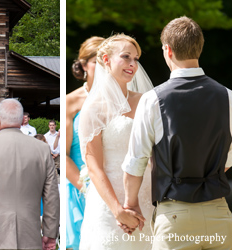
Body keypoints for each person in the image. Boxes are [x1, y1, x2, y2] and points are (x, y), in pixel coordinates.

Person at [120, 17, 232, 250]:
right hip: (221, 213)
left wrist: (131, 206)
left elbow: (135, 162)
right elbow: (228, 160)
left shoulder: (153, 99)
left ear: (167, 50)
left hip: (175, 215)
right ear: (200, 48)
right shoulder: (228, 97)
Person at [76, 33, 154, 249]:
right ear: (107, 60)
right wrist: (118, 210)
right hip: (108, 203)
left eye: (136, 59)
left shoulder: (146, 102)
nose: (132, 64)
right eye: (126, 57)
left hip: (145, 196)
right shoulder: (94, 108)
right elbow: (94, 167)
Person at [0, 99, 59, 250]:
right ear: (21, 121)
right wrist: (50, 232)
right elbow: (51, 196)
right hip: (28, 233)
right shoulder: (42, 149)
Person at [64, 36, 103, 250]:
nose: (104, 68)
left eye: (107, 62)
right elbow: (65, 154)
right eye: (98, 62)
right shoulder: (71, 102)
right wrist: (87, 189)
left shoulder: (124, 100)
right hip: (81, 188)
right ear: (84, 65)